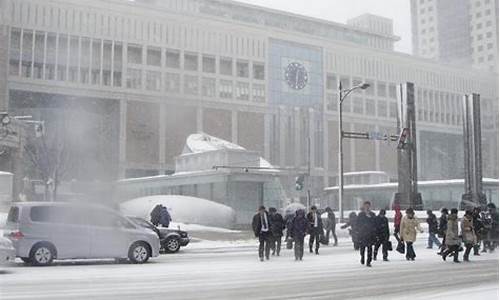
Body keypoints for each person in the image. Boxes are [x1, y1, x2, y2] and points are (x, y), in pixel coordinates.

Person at [357, 201, 377, 267]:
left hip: (370, 234)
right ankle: (362, 257)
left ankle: (369, 261)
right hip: (362, 234)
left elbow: (375, 224)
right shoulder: (360, 214)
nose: (367, 207)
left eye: (368, 206)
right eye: (366, 206)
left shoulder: (372, 214)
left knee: (370, 248)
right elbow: (358, 224)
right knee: (362, 248)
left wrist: (375, 232)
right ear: (364, 206)